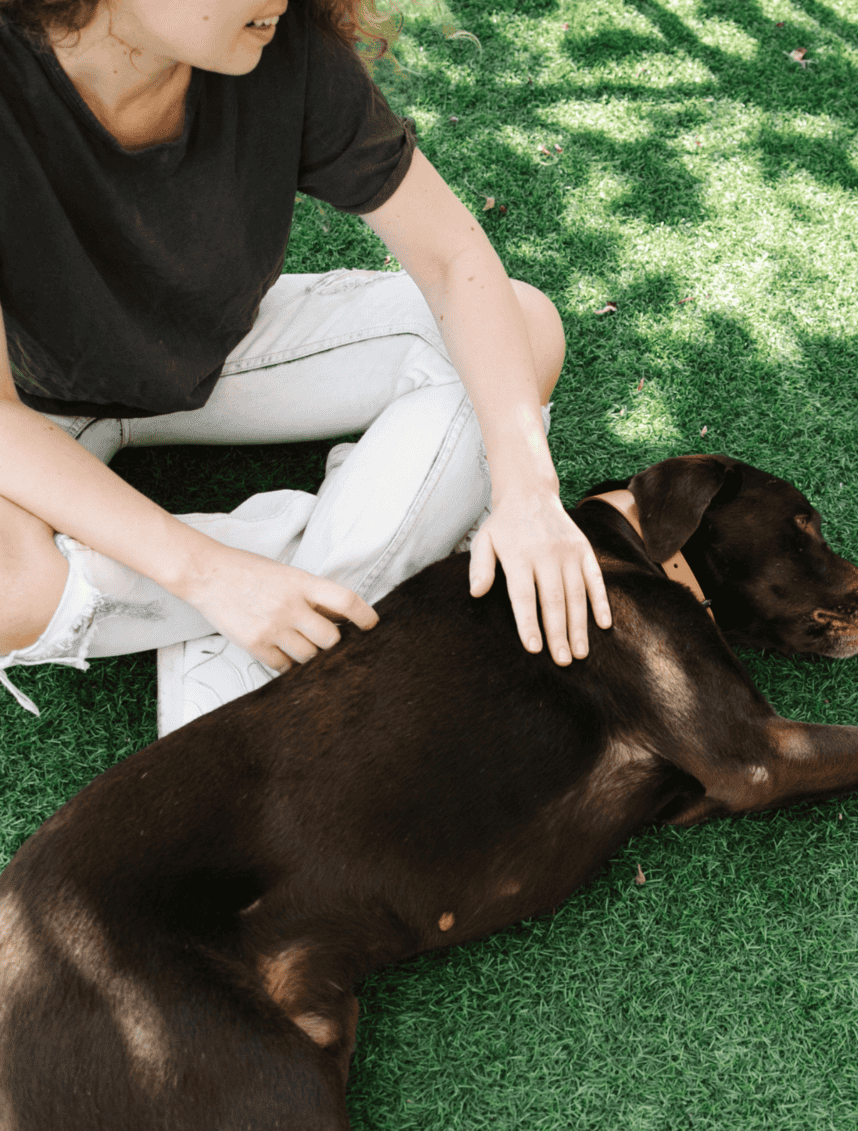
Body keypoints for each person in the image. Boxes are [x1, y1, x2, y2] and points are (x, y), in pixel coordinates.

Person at [0, 0, 611, 734]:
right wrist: (207, 571)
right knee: (7, 591)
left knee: (525, 325)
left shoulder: (283, 45)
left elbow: (453, 259)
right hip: (33, 405)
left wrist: (529, 492)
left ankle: (259, 630)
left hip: (222, 347)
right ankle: (335, 567)